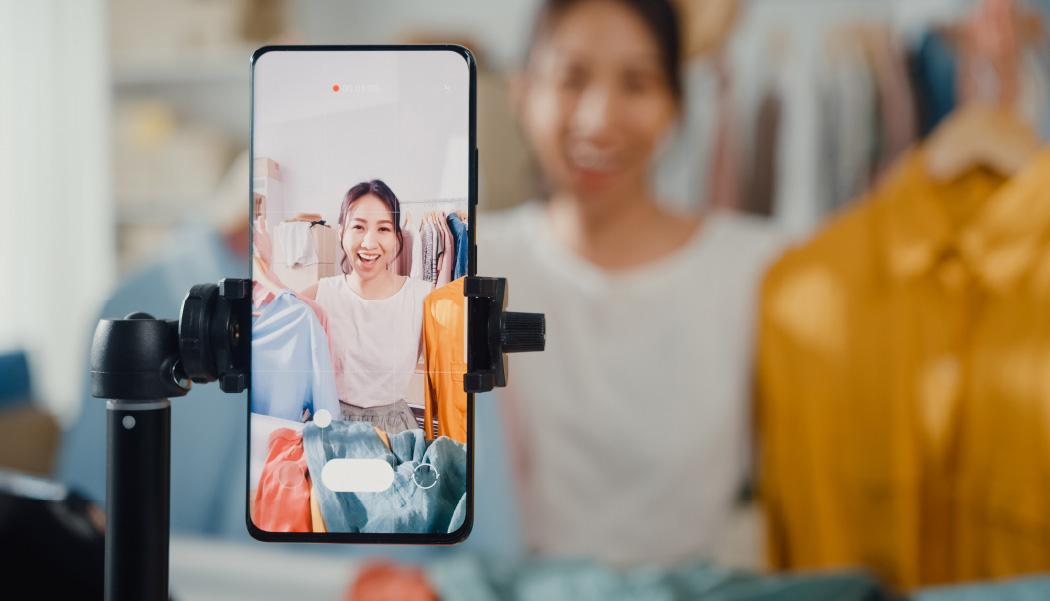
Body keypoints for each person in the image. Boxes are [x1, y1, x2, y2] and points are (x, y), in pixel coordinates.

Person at [476, 0, 786, 567]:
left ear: (676, 104)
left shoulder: (759, 268)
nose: (599, 118)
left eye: (637, 83)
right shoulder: (471, 260)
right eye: (571, 78)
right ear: (522, 92)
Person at [303, 180, 432, 434]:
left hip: (394, 435)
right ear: (341, 233)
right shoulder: (321, 294)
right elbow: (273, 318)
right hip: (328, 428)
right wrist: (261, 270)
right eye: (359, 227)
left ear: (396, 238)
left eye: (383, 229)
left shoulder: (423, 297)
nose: (369, 243)